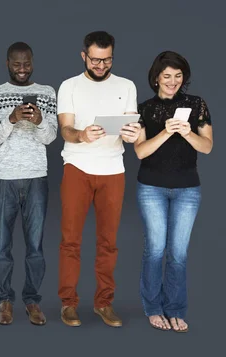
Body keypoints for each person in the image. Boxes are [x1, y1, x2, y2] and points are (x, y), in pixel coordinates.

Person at [56, 31, 142, 328]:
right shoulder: (69, 86)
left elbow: (131, 127)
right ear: (84, 56)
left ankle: (104, 303)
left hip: (113, 170)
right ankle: (68, 304)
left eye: (107, 60)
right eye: (95, 59)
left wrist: (132, 134)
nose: (101, 65)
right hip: (77, 167)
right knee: (70, 241)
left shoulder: (127, 86)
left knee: (108, 242)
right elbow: (65, 129)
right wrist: (80, 135)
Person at [134, 51, 213, 333]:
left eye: (178, 76)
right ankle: (153, 308)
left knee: (178, 253)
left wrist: (187, 132)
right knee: (155, 250)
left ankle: (176, 309)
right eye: (167, 76)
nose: (172, 82)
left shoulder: (196, 104)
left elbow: (207, 147)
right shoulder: (143, 108)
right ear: (156, 78)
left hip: (187, 189)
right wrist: (166, 132)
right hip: (151, 188)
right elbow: (141, 150)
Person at [0, 41, 57, 326]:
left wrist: (38, 121)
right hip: (5, 177)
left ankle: (32, 301)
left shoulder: (47, 93)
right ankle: (5, 300)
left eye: (27, 64)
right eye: (17, 64)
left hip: (37, 175)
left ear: (33, 62)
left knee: (35, 246)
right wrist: (12, 118)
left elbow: (50, 138)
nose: (23, 69)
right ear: (7, 63)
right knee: (2, 245)